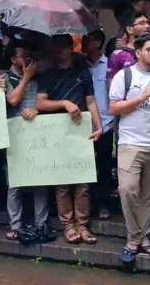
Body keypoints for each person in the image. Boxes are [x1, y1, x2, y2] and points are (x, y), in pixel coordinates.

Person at [109, 35, 150, 262]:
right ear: (138, 53)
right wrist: (141, 97)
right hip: (130, 143)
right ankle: (136, 238)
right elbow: (114, 108)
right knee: (127, 190)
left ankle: (140, 240)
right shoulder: (124, 76)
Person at [37, 34, 103, 244]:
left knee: (83, 183)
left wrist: (99, 126)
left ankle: (82, 225)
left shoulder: (82, 72)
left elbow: (90, 101)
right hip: (58, 133)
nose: (58, 50)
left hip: (81, 130)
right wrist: (64, 103)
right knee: (63, 184)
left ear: (70, 48)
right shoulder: (47, 74)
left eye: (62, 46)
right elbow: (40, 103)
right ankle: (68, 226)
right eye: (55, 46)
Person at [1, 40, 53, 242]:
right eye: (23, 56)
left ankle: (41, 223)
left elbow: (44, 101)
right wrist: (26, 77)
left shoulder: (42, 76)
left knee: (40, 180)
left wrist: (37, 110)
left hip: (38, 135)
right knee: (14, 183)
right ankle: (15, 224)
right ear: (13, 59)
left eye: (29, 56)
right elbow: (13, 100)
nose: (28, 60)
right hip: (15, 136)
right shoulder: (6, 78)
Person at [83, 29, 114, 219]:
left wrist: (114, 121)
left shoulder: (110, 64)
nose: (84, 43)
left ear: (98, 43)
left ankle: (104, 203)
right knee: (85, 165)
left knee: (104, 165)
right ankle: (88, 204)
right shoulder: (80, 65)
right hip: (84, 123)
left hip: (106, 122)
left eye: (88, 40)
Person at [107, 11, 150, 83]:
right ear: (129, 29)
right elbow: (112, 84)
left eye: (147, 22)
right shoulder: (118, 55)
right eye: (142, 23)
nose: (147, 26)